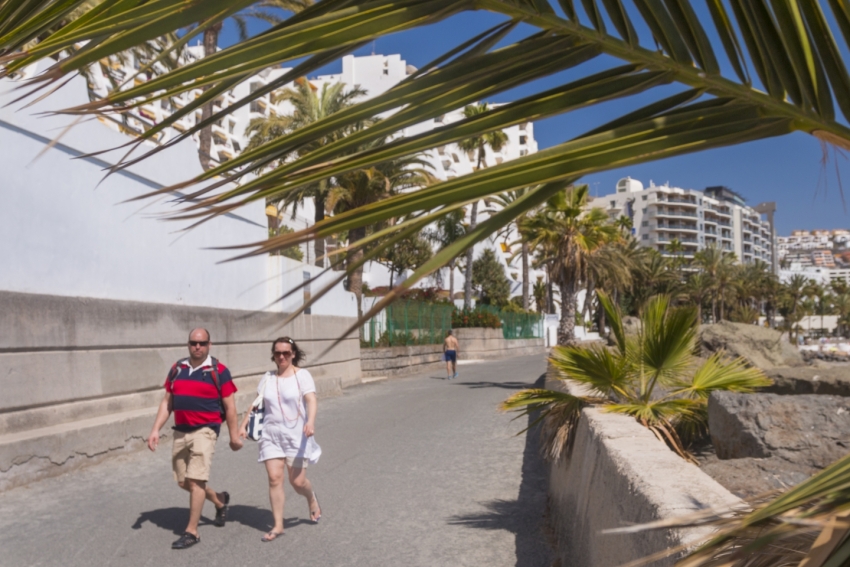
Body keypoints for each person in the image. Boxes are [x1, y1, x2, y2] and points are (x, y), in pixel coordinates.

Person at [146, 328, 243, 550]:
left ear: (209, 345)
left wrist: (233, 436)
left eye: (202, 343)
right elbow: (167, 402)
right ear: (188, 344)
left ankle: (192, 532)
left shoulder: (219, 371)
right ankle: (219, 499)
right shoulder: (177, 369)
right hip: (181, 430)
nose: (197, 347)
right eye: (193, 343)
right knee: (183, 482)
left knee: (197, 480)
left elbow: (230, 406)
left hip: (206, 430)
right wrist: (155, 429)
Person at [239, 336, 322, 542]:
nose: (282, 356)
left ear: (293, 354)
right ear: (273, 355)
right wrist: (244, 424)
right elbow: (256, 403)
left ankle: (311, 497)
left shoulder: (302, 376)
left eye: (286, 353)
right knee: (275, 478)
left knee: (298, 482)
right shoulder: (268, 378)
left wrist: (310, 421)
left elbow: (311, 400)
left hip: (296, 435)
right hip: (271, 435)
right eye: (278, 353)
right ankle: (278, 526)